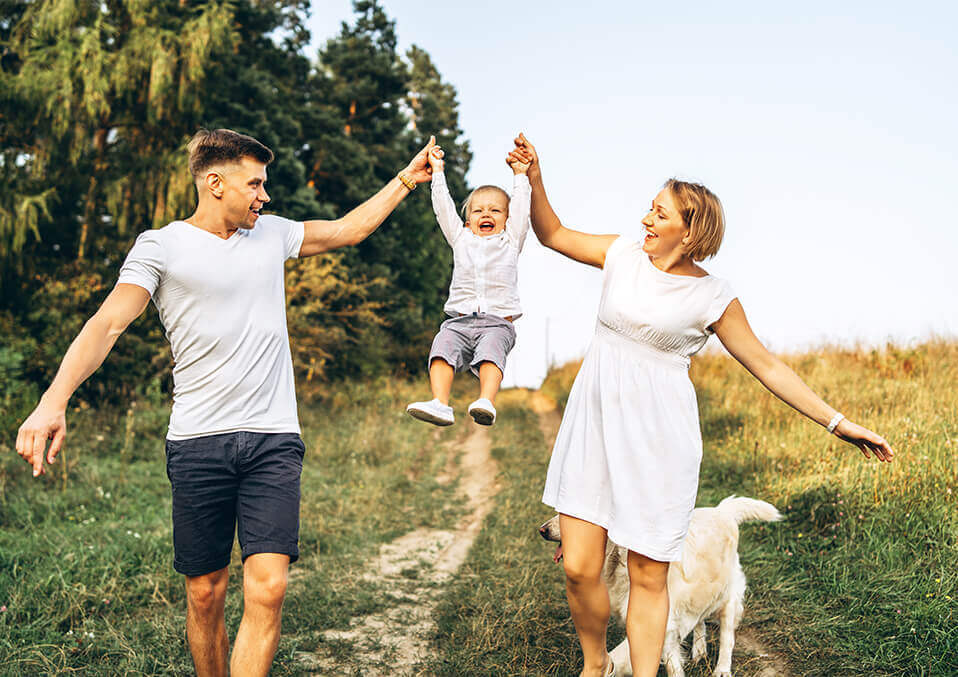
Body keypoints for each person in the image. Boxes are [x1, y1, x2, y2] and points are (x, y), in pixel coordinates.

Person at [15, 128, 437, 677]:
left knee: (269, 586)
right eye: (255, 183)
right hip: (197, 442)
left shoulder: (272, 235)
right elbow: (108, 324)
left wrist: (408, 177)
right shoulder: (161, 245)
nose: (265, 195)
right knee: (206, 592)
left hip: (273, 437)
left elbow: (347, 230)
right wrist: (53, 401)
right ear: (215, 183)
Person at [507, 133, 894, 677]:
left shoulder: (713, 295)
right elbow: (551, 234)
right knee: (578, 566)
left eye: (658, 212)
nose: (645, 218)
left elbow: (767, 366)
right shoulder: (620, 253)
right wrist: (534, 176)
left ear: (689, 232)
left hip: (659, 442)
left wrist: (838, 422)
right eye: (649, 207)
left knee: (646, 573)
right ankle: (595, 666)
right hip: (593, 427)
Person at [405, 143, 531, 426]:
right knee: (441, 349)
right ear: (466, 220)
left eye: (496, 211)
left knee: (490, 353)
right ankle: (440, 403)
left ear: (508, 220)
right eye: (478, 211)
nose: (486, 214)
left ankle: (486, 400)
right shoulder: (461, 239)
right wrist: (437, 171)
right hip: (458, 323)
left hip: (497, 323)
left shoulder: (511, 241)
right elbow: (443, 207)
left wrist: (520, 175)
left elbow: (523, 208)